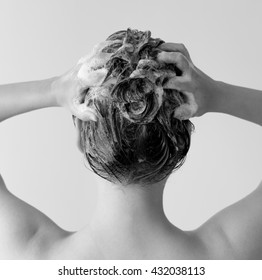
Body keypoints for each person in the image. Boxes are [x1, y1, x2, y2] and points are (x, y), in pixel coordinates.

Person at [0, 38, 261, 259]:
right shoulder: (227, 255)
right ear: (180, 141)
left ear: (81, 135)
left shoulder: (32, 255)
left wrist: (55, 90)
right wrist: (216, 93)